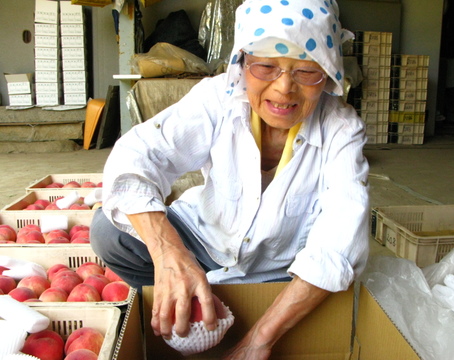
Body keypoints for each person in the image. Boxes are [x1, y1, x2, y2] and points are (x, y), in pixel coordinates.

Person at [90, 0, 370, 358]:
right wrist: (171, 257)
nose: (284, 88)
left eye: (306, 71)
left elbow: (340, 241)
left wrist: (258, 340)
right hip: (204, 241)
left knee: (333, 282)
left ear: (328, 75)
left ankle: (245, 311)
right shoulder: (217, 98)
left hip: (276, 269)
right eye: (266, 66)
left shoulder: (340, 128)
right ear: (243, 64)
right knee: (108, 232)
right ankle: (180, 295)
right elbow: (137, 157)